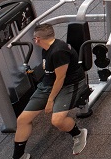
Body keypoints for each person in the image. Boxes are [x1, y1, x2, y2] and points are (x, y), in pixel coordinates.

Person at [12, 24, 88, 159]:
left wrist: (50, 100)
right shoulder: (47, 48)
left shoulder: (59, 52)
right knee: (23, 120)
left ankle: (79, 133)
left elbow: (60, 78)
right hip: (49, 83)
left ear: (37, 39)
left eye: (34, 39)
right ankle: (19, 156)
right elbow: (51, 72)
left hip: (70, 85)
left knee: (57, 121)